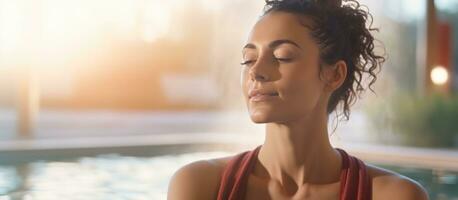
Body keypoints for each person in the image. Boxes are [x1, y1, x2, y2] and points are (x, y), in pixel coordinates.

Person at [168, 0, 429, 199]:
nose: (256, 71)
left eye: (282, 56)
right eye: (248, 59)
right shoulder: (200, 185)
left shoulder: (392, 195)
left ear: (334, 74)